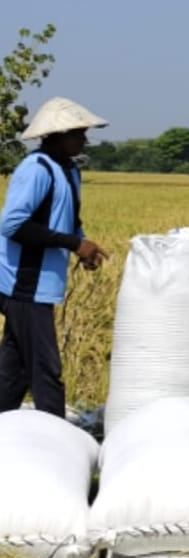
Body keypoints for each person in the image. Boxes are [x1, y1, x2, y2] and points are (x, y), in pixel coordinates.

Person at [0, 97, 110, 416]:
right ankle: (58, 439)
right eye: (79, 133)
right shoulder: (36, 169)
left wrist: (83, 243)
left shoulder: (69, 171)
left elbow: (68, 219)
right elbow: (12, 224)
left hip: (41, 284)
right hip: (23, 284)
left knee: (15, 369)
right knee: (46, 368)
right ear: (59, 135)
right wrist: (74, 244)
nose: (84, 139)